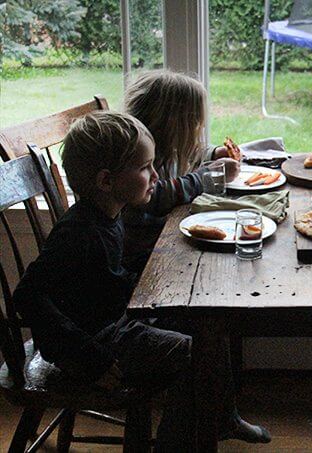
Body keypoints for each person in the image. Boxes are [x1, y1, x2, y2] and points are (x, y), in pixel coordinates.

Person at [13, 111, 270, 451]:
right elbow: (27, 296)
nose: (155, 175)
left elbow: (103, 280)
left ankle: (222, 419)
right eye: (145, 168)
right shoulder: (78, 233)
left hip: (110, 321)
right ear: (107, 181)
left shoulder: (108, 214)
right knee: (193, 353)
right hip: (91, 345)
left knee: (209, 323)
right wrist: (92, 357)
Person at [122, 69, 240, 274]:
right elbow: (157, 195)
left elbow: (184, 151)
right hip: (146, 254)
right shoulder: (136, 158)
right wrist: (207, 178)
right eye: (194, 123)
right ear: (172, 125)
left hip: (162, 237)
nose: (198, 129)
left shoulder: (163, 147)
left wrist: (213, 154)